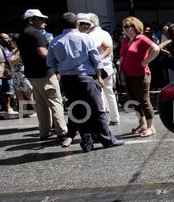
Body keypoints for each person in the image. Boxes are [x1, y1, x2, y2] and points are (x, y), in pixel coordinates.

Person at [47, 12, 124, 151]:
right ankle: (107, 139)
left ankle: (87, 143)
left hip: (67, 79)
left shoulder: (55, 41)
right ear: (76, 24)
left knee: (79, 111)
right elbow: (96, 59)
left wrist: (59, 73)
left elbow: (51, 62)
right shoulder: (85, 38)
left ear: (62, 24)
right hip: (86, 77)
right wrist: (99, 76)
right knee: (98, 109)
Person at [16, 9, 67, 141]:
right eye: (41, 19)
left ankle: (44, 131)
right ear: (31, 20)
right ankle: (61, 130)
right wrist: (59, 58)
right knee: (55, 100)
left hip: (32, 73)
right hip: (44, 72)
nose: (44, 21)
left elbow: (22, 56)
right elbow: (43, 53)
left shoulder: (22, 34)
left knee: (41, 104)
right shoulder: (36, 33)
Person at [120, 15, 160, 137]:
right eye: (124, 27)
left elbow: (156, 49)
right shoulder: (125, 41)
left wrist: (146, 61)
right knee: (134, 100)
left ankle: (151, 127)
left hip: (141, 74)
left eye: (128, 26)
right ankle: (142, 124)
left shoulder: (141, 38)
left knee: (144, 100)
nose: (125, 29)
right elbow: (122, 57)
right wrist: (120, 72)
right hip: (127, 74)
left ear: (135, 26)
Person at [83, 13, 120, 125]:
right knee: (109, 93)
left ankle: (103, 119)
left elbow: (97, 49)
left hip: (99, 68)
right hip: (107, 66)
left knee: (99, 95)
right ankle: (115, 117)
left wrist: (97, 59)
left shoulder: (92, 36)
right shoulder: (105, 33)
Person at [0, 33, 20, 116]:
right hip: (6, 71)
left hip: (10, 71)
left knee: (10, 91)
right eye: (6, 38)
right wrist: (5, 71)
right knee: (7, 91)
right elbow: (4, 60)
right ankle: (7, 108)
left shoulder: (6, 48)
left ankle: (10, 107)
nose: (8, 40)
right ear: (0, 39)